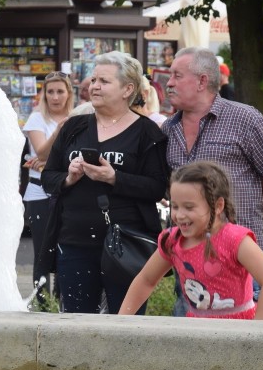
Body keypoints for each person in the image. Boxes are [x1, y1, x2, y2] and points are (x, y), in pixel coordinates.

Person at [41, 52, 169, 315]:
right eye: (94, 79)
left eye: (104, 81)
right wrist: (68, 178)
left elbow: (157, 187)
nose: (93, 86)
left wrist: (114, 178)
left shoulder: (147, 132)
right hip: (75, 241)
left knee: (125, 328)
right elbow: (48, 176)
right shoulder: (73, 127)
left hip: (126, 245)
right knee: (77, 326)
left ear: (128, 89)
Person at [162, 47, 263, 259]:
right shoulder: (169, 128)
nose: (169, 83)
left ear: (202, 81)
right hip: (188, 259)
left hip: (240, 257)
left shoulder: (245, 119)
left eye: (177, 76)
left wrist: (245, 212)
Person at [120, 161, 263, 320]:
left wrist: (258, 332)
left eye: (189, 207)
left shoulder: (236, 240)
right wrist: (120, 320)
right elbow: (146, 280)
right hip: (197, 331)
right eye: (175, 206)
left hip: (239, 331)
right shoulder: (172, 240)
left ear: (218, 206)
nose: (179, 215)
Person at [22, 71, 75, 297]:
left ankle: (61, 303)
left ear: (68, 93)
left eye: (60, 91)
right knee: (43, 252)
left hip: (67, 189)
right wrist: (59, 130)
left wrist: (46, 162)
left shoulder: (77, 116)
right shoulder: (37, 118)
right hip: (38, 192)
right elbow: (41, 150)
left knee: (66, 251)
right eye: (50, 92)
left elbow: (72, 156)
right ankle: (41, 304)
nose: (55, 97)